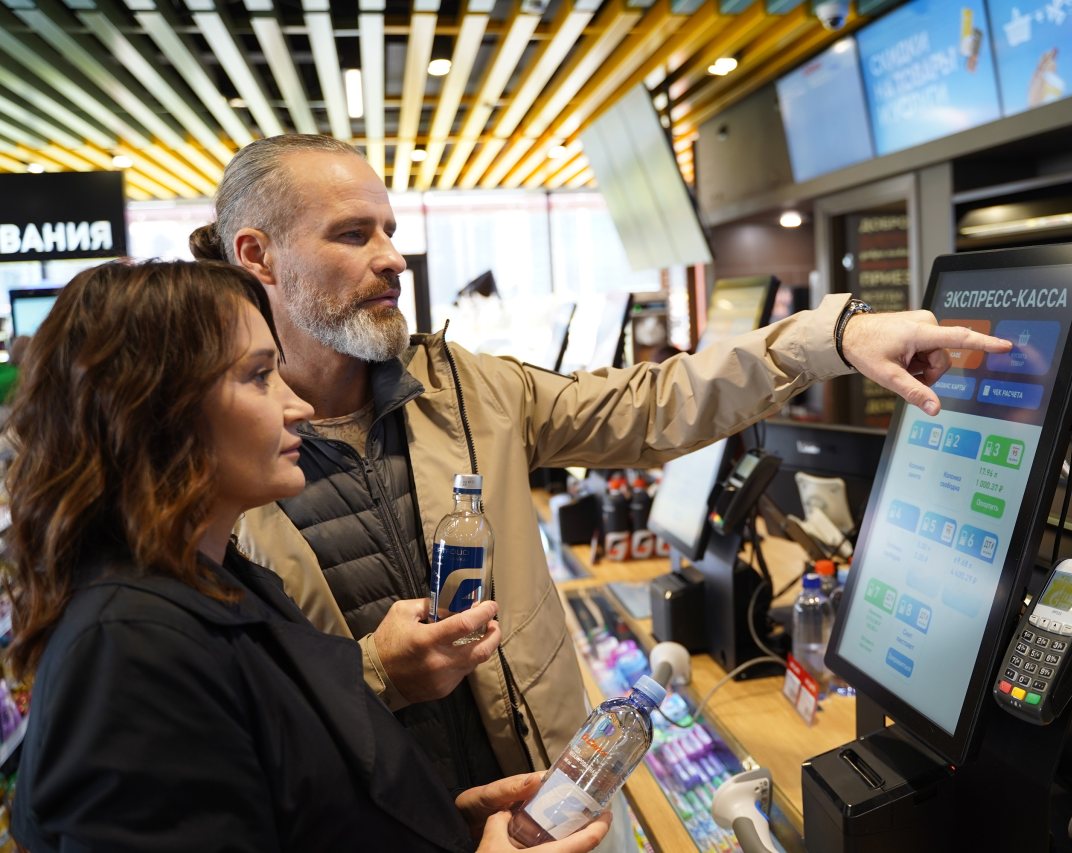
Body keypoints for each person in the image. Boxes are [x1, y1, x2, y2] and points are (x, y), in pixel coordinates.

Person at [188, 134, 1010, 801]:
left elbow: (652, 405)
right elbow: (222, 713)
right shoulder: (205, 463)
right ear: (258, 254)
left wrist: (828, 339)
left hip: (550, 804)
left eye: (391, 230)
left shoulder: (467, 389)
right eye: (353, 234)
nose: (394, 258)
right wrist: (379, 673)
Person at [4, 260, 608, 853]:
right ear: (156, 409)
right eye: (260, 376)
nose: (297, 406)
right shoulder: (128, 647)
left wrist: (448, 828)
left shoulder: (225, 582)